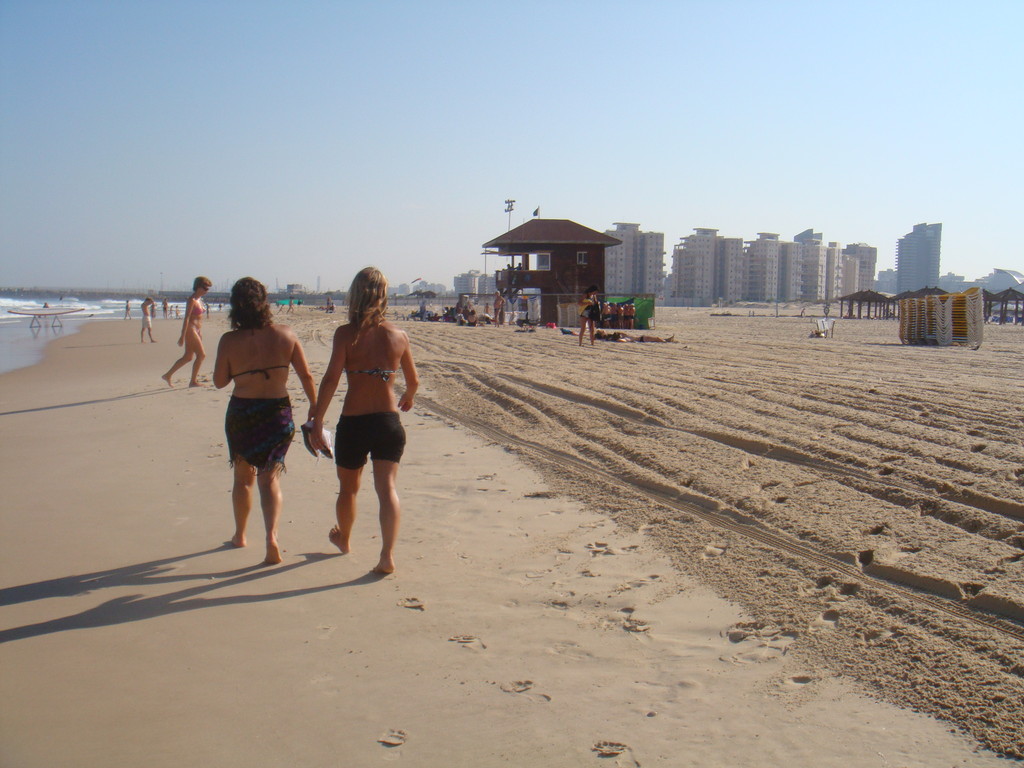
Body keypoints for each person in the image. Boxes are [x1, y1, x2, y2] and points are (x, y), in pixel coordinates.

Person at [309, 267, 419, 575]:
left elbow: (331, 379)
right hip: (388, 423)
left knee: (348, 489)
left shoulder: (346, 334)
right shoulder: (399, 336)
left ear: (356, 294)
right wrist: (407, 397)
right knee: (387, 490)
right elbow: (413, 381)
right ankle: (387, 556)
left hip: (355, 422)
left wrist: (317, 419)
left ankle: (344, 539)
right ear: (383, 296)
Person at [213, 277, 317, 565]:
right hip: (277, 412)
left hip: (243, 412)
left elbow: (220, 382)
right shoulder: (286, 335)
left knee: (242, 479)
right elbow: (307, 376)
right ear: (265, 303)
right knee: (269, 479)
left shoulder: (229, 340)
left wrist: (243, 369)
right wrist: (315, 409)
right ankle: (272, 537)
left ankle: (240, 535)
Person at [162, 276, 212, 387]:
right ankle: (193, 381)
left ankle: (168, 375)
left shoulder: (199, 300)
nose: (207, 291)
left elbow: (199, 317)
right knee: (201, 355)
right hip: (190, 329)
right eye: (205, 288)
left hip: (197, 329)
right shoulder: (192, 300)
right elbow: (187, 318)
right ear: (199, 287)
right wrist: (182, 335)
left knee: (188, 357)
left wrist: (200, 332)